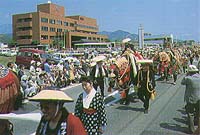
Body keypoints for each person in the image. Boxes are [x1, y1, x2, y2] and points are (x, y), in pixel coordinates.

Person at [181, 65, 200, 134]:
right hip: (199, 98)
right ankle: (198, 127)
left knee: (190, 114)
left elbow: (182, 82)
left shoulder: (188, 78)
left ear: (190, 72)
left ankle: (191, 130)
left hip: (190, 99)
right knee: (198, 113)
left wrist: (186, 74)